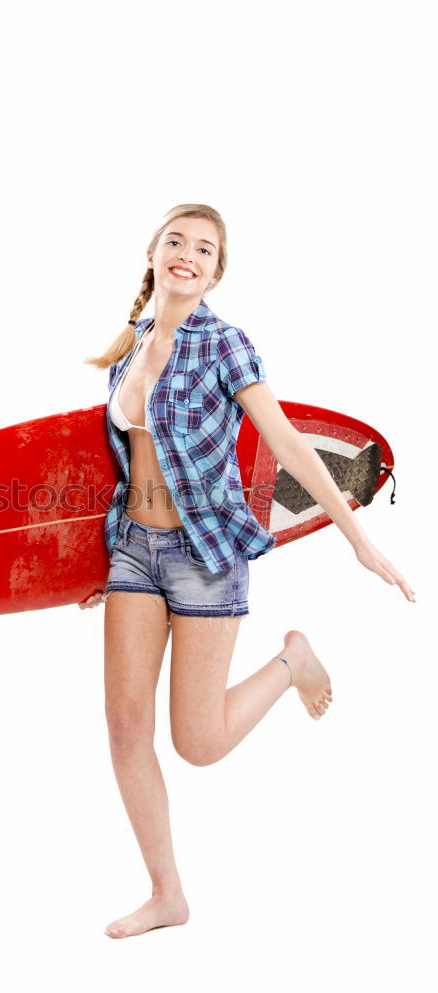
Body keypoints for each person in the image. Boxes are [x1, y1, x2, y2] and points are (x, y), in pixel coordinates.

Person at [80, 203, 416, 940]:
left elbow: (289, 445)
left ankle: (292, 661)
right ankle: (168, 895)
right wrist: (85, 562)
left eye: (204, 249)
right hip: (134, 551)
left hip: (205, 558)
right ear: (153, 252)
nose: (187, 255)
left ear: (215, 272)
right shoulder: (134, 341)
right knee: (125, 729)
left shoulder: (226, 346)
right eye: (176, 241)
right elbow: (115, 462)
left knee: (197, 744)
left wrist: (354, 534)